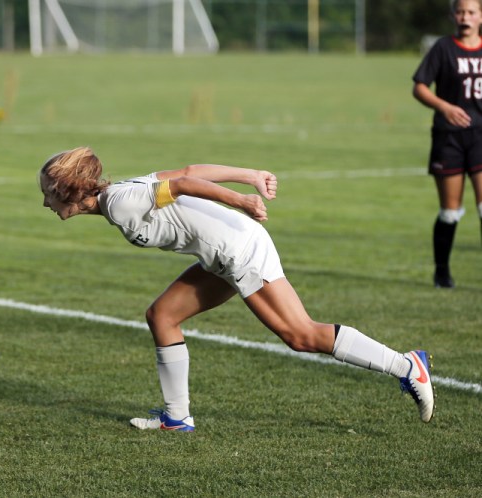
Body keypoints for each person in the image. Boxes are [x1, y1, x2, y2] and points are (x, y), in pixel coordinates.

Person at [39, 146, 435, 431]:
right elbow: (189, 169)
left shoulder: (119, 203)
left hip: (240, 249)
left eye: (47, 193)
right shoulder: (118, 197)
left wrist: (242, 199)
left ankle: (407, 366)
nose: (45, 203)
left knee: (300, 335)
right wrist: (250, 175)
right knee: (162, 316)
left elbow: (183, 185)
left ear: (67, 190)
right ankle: (176, 418)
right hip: (220, 256)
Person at [412, 0, 482, 288]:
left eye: (471, 12)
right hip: (448, 138)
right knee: (450, 211)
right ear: (453, 15)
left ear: (480, 16)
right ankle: (442, 273)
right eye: (460, 12)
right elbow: (419, 86)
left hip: (480, 136)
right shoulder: (443, 47)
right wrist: (445, 108)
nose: (465, 17)